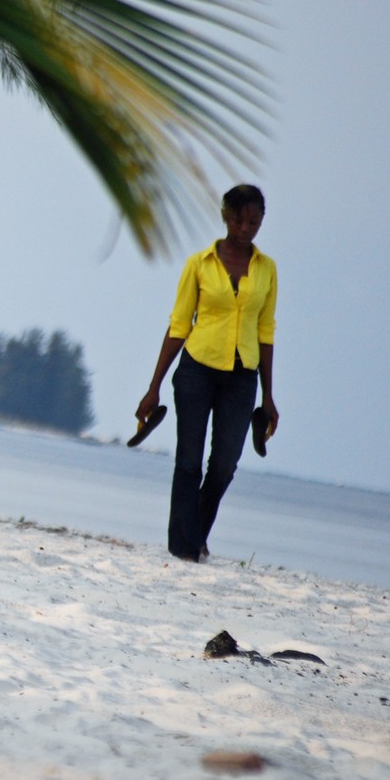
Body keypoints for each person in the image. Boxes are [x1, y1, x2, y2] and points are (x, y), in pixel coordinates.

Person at [136, 184, 279, 563]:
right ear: (225, 217)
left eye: (253, 221)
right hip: (196, 370)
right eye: (238, 219)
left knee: (224, 464)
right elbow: (179, 325)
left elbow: (265, 332)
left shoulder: (267, 270)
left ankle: (194, 533)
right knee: (189, 459)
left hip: (242, 376)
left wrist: (268, 396)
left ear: (262, 220)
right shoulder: (199, 264)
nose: (245, 228)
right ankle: (185, 548)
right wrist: (153, 388)